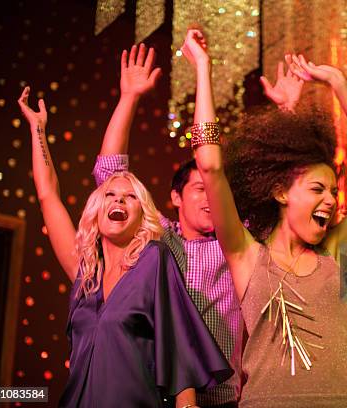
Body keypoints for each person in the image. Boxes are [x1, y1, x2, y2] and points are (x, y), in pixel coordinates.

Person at [184, 29, 347, 407]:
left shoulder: (336, 253)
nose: (330, 200)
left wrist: (340, 84)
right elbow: (210, 165)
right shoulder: (248, 257)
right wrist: (202, 68)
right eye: (317, 189)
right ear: (280, 192)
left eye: (333, 192)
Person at [18, 86, 232, 407]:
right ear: (96, 209)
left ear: (143, 216)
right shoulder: (86, 271)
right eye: (111, 194)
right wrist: (37, 129)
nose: (119, 198)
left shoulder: (154, 260)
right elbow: (48, 194)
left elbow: (179, 347)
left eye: (130, 196)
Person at [91, 43, 243, 407]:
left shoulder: (237, 241)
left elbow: (212, 163)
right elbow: (110, 174)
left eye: (214, 190)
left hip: (226, 397)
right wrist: (129, 97)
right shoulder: (159, 239)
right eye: (198, 189)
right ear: (175, 198)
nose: (209, 197)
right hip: (163, 394)